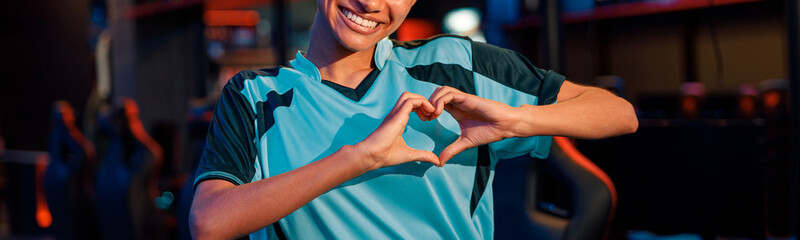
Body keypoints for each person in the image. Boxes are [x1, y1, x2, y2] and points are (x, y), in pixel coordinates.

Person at [189, 0, 638, 239]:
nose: (369, 2)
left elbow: (619, 114)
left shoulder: (455, 63)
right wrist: (358, 158)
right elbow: (209, 222)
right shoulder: (254, 94)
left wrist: (516, 120)